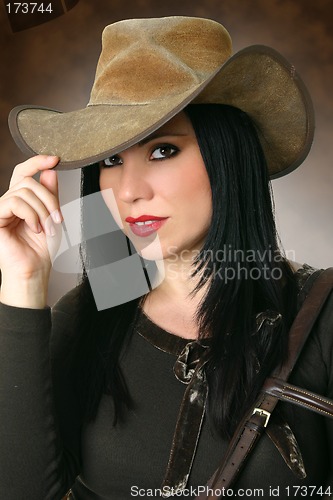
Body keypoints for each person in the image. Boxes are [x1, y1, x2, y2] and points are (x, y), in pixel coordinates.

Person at [0, 16, 332, 500]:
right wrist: (24, 283)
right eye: (112, 159)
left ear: (228, 156)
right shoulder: (84, 320)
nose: (129, 191)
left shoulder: (320, 318)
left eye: (162, 150)